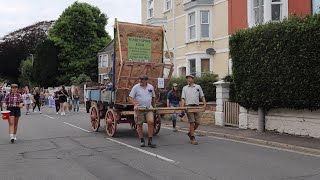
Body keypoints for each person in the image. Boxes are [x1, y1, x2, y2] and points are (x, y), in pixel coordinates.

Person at [129, 74, 157, 148]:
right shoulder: (136, 87)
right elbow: (131, 97)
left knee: (151, 122)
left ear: (146, 80)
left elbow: (153, 96)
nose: (140, 81)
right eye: (140, 79)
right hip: (139, 108)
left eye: (142, 79)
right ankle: (142, 140)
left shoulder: (150, 87)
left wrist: (154, 106)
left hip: (148, 108)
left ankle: (150, 140)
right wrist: (135, 104)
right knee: (139, 124)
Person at [181, 75, 206, 145]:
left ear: (193, 79)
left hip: (196, 107)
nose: (188, 80)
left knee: (198, 122)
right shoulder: (184, 88)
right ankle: (192, 137)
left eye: (189, 78)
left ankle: (190, 133)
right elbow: (183, 98)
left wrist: (204, 104)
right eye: (187, 79)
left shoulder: (198, 87)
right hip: (188, 107)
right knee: (192, 122)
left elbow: (202, 96)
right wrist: (182, 108)